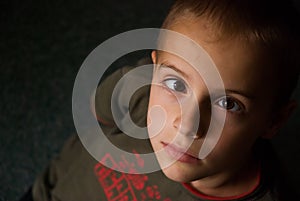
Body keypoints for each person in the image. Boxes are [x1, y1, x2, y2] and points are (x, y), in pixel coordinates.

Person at [23, 0, 299, 200]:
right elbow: (99, 113)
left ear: (274, 120)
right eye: (176, 84)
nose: (187, 125)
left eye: (228, 103)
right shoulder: (137, 90)